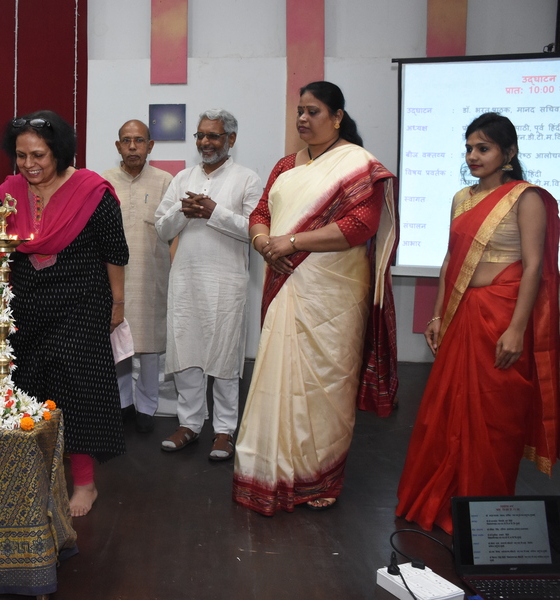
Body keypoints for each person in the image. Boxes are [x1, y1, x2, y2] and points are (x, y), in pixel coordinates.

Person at [233, 81, 398, 514]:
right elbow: (261, 212)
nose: (303, 119)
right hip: (286, 283)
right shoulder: (287, 165)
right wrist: (264, 242)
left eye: (314, 111)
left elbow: (360, 226)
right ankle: (266, 472)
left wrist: (291, 242)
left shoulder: (359, 165)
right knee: (278, 377)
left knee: (326, 385)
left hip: (333, 293)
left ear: (338, 116)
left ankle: (318, 478)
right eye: (300, 111)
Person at [0, 110, 128, 517]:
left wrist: (117, 304)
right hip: (28, 305)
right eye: (21, 155)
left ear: (59, 152)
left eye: (39, 155)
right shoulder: (10, 192)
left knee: (77, 393)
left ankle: (84, 484)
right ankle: (37, 477)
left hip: (82, 304)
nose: (29, 165)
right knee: (30, 391)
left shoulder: (93, 192)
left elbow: (115, 253)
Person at [395, 112, 559, 534]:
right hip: (463, 313)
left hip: (503, 316)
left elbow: (535, 266)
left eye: (483, 148)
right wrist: (436, 314)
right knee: (447, 410)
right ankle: (439, 499)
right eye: (469, 148)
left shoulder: (526, 198)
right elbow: (451, 260)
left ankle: (485, 510)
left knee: (494, 416)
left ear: (509, 152)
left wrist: (517, 329)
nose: (472, 156)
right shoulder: (461, 198)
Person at [154, 109, 263, 461]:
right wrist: (183, 211)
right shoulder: (182, 177)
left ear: (231, 139)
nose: (205, 142)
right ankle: (189, 423)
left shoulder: (247, 179)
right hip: (186, 279)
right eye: (200, 135)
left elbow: (254, 229)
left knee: (225, 356)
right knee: (186, 350)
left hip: (226, 283)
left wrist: (213, 211)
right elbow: (162, 227)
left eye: (213, 136)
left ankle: (224, 430)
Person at [101, 120, 173, 433]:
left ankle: (147, 407)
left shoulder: (165, 181)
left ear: (150, 145)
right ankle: (121, 404)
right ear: (118, 146)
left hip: (151, 275)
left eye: (139, 141)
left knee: (149, 346)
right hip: (111, 278)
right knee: (117, 343)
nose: (133, 147)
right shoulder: (102, 181)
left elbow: (174, 232)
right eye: (127, 141)